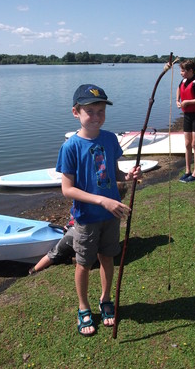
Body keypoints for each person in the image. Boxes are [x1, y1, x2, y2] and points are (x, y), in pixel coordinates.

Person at [56, 84, 142, 337]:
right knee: (83, 263)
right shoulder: (71, 147)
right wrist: (102, 201)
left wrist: (128, 176)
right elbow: (67, 189)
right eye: (90, 111)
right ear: (76, 112)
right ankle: (84, 307)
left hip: (110, 216)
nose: (96, 117)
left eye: (100, 111)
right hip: (86, 218)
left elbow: (113, 173)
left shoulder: (110, 139)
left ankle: (106, 299)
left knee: (108, 257)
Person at [176, 60, 195, 182]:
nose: (181, 73)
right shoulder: (183, 81)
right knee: (187, 144)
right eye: (181, 70)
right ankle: (188, 171)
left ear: (191, 71)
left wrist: (188, 102)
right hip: (187, 116)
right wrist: (177, 100)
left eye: (183, 70)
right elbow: (180, 89)